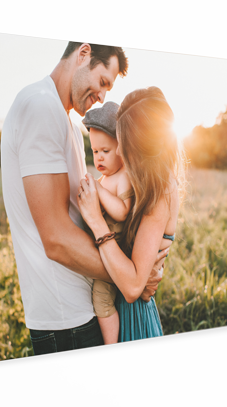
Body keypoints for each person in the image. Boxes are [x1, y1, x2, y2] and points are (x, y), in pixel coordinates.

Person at [1, 42, 168, 356]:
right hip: (68, 319)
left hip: (79, 308)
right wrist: (133, 279)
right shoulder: (40, 107)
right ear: (83, 54)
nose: (103, 96)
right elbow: (56, 238)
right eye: (103, 82)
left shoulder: (63, 119)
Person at [78, 87, 185, 342]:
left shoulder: (160, 191)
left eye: (123, 146)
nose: (120, 153)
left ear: (140, 148)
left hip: (133, 317)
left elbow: (134, 286)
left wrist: (95, 221)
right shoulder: (144, 184)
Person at [82, 101, 133, 344]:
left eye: (106, 151)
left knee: (101, 300)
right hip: (101, 250)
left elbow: (122, 212)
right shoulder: (105, 178)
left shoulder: (122, 177)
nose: (99, 157)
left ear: (121, 149)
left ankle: (111, 344)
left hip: (115, 252)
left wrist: (99, 192)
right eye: (95, 152)